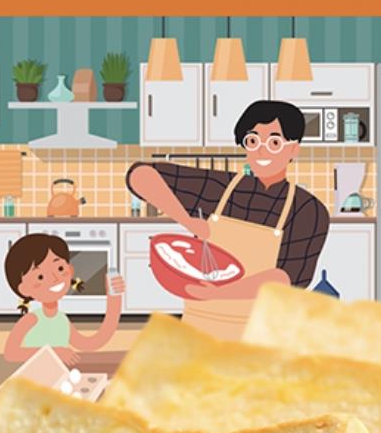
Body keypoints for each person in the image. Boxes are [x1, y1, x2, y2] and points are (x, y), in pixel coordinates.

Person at [126, 99, 329, 338]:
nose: (261, 151)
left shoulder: (308, 209)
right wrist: (187, 221)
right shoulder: (220, 188)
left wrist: (219, 293)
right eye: (252, 141)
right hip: (199, 330)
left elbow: (286, 278)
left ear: (294, 149)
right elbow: (139, 175)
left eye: (274, 142)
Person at [2, 233, 124, 366]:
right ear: (24, 289)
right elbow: (11, 353)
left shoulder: (62, 320)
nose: (55, 278)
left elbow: (92, 343)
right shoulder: (31, 320)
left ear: (70, 270)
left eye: (60, 268)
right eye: (40, 277)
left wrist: (114, 298)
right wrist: (54, 352)